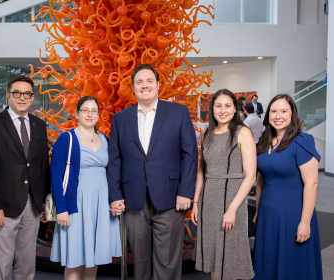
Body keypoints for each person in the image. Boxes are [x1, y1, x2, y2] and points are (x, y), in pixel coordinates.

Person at [108, 64, 198, 280]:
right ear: (133, 87)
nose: (144, 86)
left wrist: (186, 191)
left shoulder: (178, 112)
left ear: (158, 85)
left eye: (149, 81)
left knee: (167, 261)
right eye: (139, 82)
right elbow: (114, 160)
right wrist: (115, 195)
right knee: (138, 260)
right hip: (132, 200)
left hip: (170, 197)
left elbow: (190, 154)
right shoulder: (120, 118)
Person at [0, 75, 51, 280]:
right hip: (4, 205)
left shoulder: (39, 125)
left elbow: (41, 167)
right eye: (17, 93)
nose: (22, 97)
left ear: (32, 97)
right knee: (2, 263)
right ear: (8, 95)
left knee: (27, 261)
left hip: (32, 204)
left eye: (27, 93)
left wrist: (43, 203)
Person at [50, 96, 121, 279]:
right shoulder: (67, 139)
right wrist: (62, 209)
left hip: (101, 204)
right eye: (85, 110)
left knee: (94, 257)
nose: (90, 114)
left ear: (98, 114)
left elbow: (113, 172)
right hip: (76, 204)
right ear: (76, 114)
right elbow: (57, 177)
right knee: (74, 259)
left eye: (94, 110)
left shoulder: (105, 139)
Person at [252, 94, 323, 280]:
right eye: (273, 111)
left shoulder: (302, 141)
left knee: (292, 264)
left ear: (293, 114)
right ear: (267, 115)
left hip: (293, 214)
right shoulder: (263, 142)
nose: (278, 116)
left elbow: (311, 183)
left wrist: (305, 222)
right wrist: (258, 211)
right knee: (268, 261)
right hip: (268, 214)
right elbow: (261, 179)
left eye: (284, 111)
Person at [191, 89, 256, 280]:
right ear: (211, 109)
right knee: (213, 255)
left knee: (231, 256)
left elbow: (250, 176)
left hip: (232, 199)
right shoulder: (207, 134)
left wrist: (232, 209)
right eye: (218, 106)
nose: (223, 110)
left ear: (235, 109)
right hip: (208, 200)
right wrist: (196, 203)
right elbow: (202, 171)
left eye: (228, 106)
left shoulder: (242, 133)